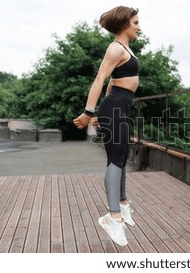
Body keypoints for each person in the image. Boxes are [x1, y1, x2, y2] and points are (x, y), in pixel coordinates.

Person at [73, 6, 141, 246]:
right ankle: (112, 217)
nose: (138, 26)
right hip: (113, 108)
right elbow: (99, 79)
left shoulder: (125, 49)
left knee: (122, 156)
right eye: (135, 22)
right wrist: (89, 112)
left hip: (118, 108)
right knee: (115, 159)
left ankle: (122, 205)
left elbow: (112, 84)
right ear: (124, 24)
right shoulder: (115, 48)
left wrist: (102, 112)